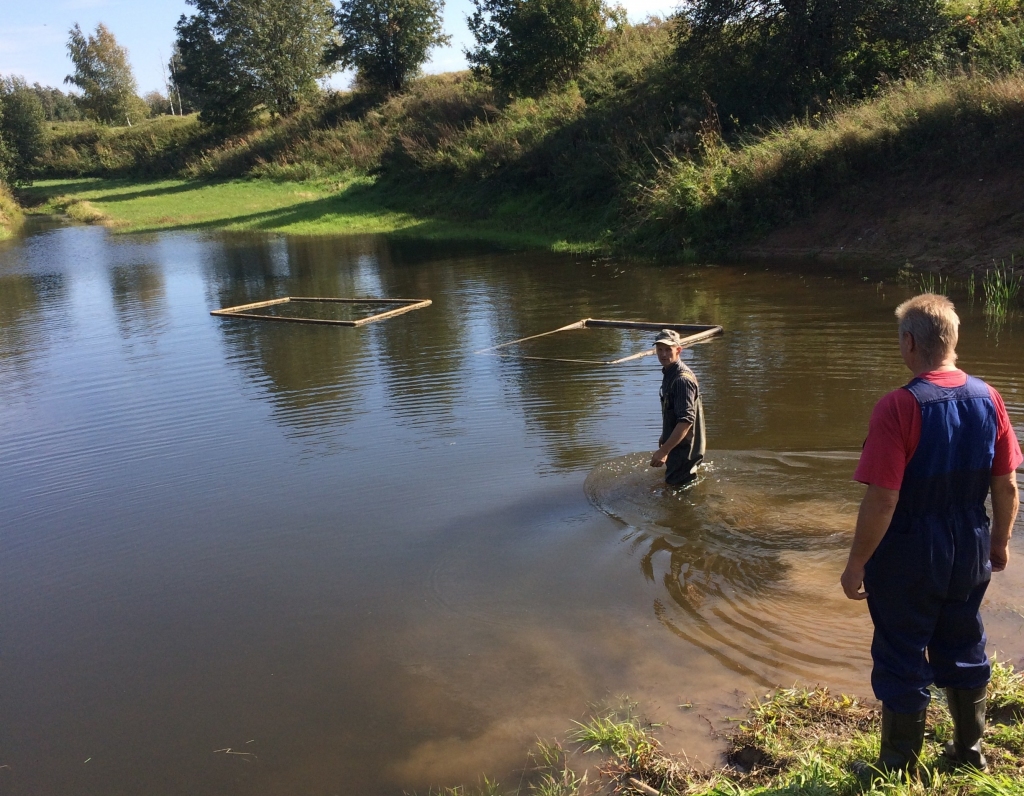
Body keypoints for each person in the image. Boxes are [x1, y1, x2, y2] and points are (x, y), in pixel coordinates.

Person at [840, 293, 1021, 778]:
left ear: (908, 343)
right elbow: (1005, 484)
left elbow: (883, 500)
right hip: (969, 548)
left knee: (901, 652)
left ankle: (898, 770)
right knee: (963, 644)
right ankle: (970, 753)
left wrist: (856, 563)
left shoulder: (898, 408)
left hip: (910, 554)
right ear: (954, 341)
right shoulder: (991, 398)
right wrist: (999, 542)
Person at [650, 329, 706, 486]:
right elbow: (673, 411)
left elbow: (686, 420)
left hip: (684, 451)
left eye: (668, 349)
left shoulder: (682, 380)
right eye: (659, 349)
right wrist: (665, 435)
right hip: (678, 446)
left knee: (678, 489)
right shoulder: (670, 373)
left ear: (678, 350)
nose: (663, 354)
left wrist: (664, 450)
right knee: (677, 487)